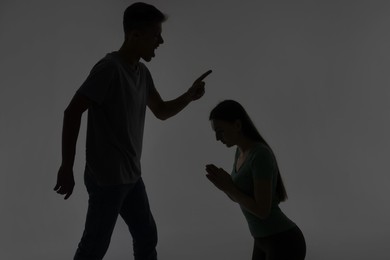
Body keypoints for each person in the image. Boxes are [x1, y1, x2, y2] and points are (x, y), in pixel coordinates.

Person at [53, 2, 212, 260]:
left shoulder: (142, 72)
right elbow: (72, 112)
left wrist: (189, 96)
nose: (160, 41)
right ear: (135, 35)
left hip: (131, 177)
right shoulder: (108, 69)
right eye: (156, 35)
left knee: (147, 236)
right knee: (93, 248)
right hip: (107, 180)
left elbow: (160, 110)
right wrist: (66, 166)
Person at [205, 100, 306, 260]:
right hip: (261, 240)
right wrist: (224, 186)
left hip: (284, 241)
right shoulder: (240, 153)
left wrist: (229, 187)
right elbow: (241, 198)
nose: (218, 138)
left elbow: (262, 211)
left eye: (220, 131)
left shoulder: (260, 155)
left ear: (237, 125)